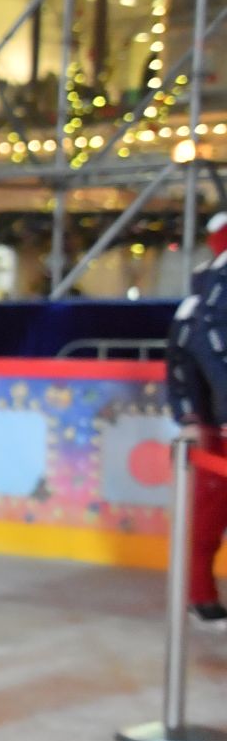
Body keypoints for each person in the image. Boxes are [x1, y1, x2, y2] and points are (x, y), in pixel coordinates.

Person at [165, 210, 227, 628]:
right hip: (217, 430)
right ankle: (200, 595)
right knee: (208, 514)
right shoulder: (202, 303)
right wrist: (192, 417)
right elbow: (184, 364)